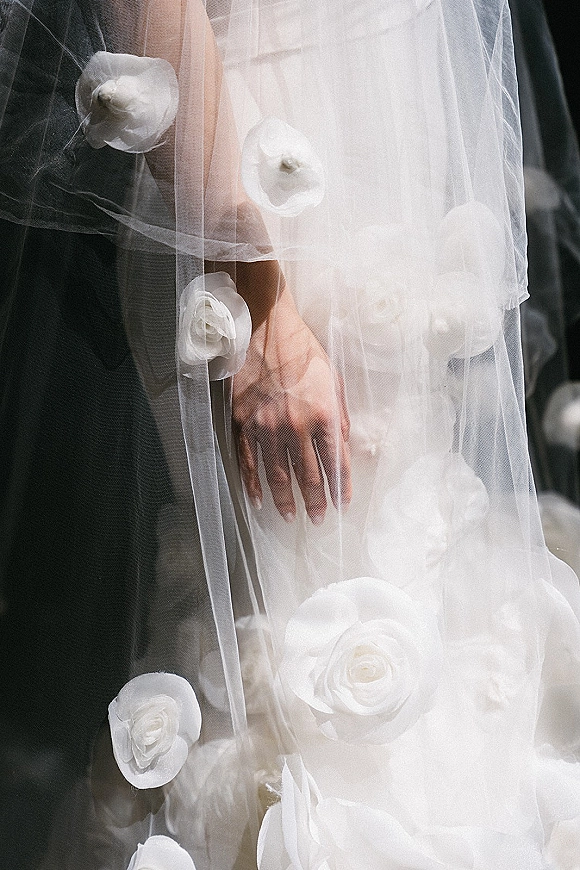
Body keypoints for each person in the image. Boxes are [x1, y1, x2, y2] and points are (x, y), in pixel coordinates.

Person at [1, 0, 580, 868]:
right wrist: (259, 304)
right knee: (296, 645)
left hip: (378, 165)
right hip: (259, 202)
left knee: (404, 606)